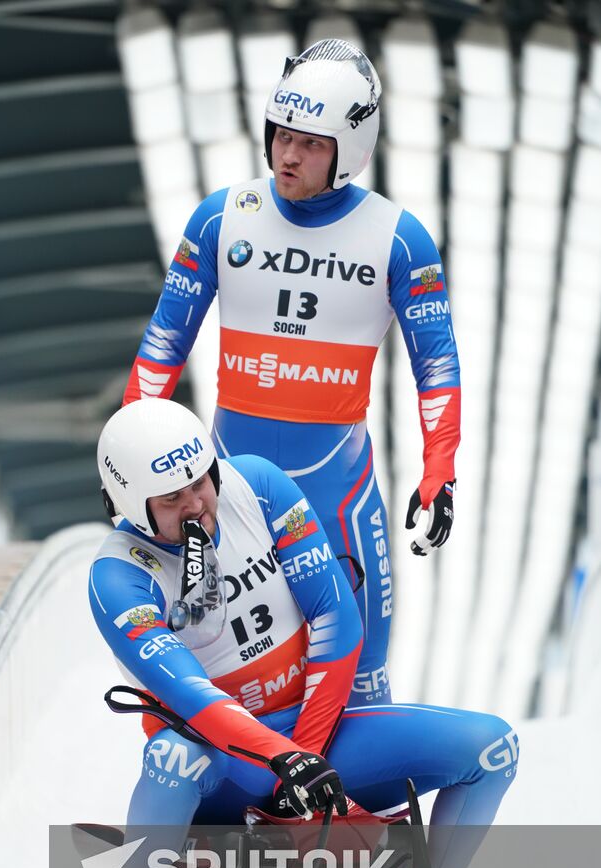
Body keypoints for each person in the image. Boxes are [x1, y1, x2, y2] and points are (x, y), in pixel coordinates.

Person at [30, 400, 547, 868]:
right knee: (174, 757)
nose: (197, 504)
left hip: (314, 740)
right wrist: (284, 761)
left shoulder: (259, 485)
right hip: (224, 766)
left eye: (200, 482)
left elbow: (336, 614)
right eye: (172, 498)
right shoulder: (118, 577)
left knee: (494, 747)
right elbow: (190, 696)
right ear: (132, 504)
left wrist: (303, 755)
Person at [121, 38, 461, 709]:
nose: (287, 154)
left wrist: (439, 468)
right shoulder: (222, 217)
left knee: (360, 680)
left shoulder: (398, 239)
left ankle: (364, 804)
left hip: (337, 494)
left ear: (350, 147)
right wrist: (134, 468)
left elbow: (437, 367)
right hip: (222, 497)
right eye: (280, 135)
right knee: (219, 674)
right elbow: (163, 345)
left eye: (310, 142)